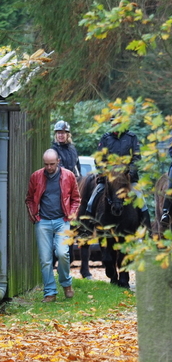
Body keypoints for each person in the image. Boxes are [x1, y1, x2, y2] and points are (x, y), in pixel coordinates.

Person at [25, 149, 81, 303]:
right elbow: (29, 199)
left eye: (51, 164)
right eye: (46, 164)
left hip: (62, 221)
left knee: (63, 254)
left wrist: (71, 215)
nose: (49, 167)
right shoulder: (36, 176)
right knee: (45, 259)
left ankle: (66, 284)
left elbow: (76, 198)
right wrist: (34, 217)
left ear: (58, 162)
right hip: (42, 221)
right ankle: (50, 293)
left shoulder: (68, 176)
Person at [86, 124, 151, 230]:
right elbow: (98, 158)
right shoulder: (105, 138)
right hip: (108, 180)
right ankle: (86, 230)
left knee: (141, 200)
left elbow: (137, 158)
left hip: (127, 180)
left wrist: (130, 173)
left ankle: (147, 230)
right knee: (91, 201)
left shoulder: (132, 138)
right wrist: (105, 173)